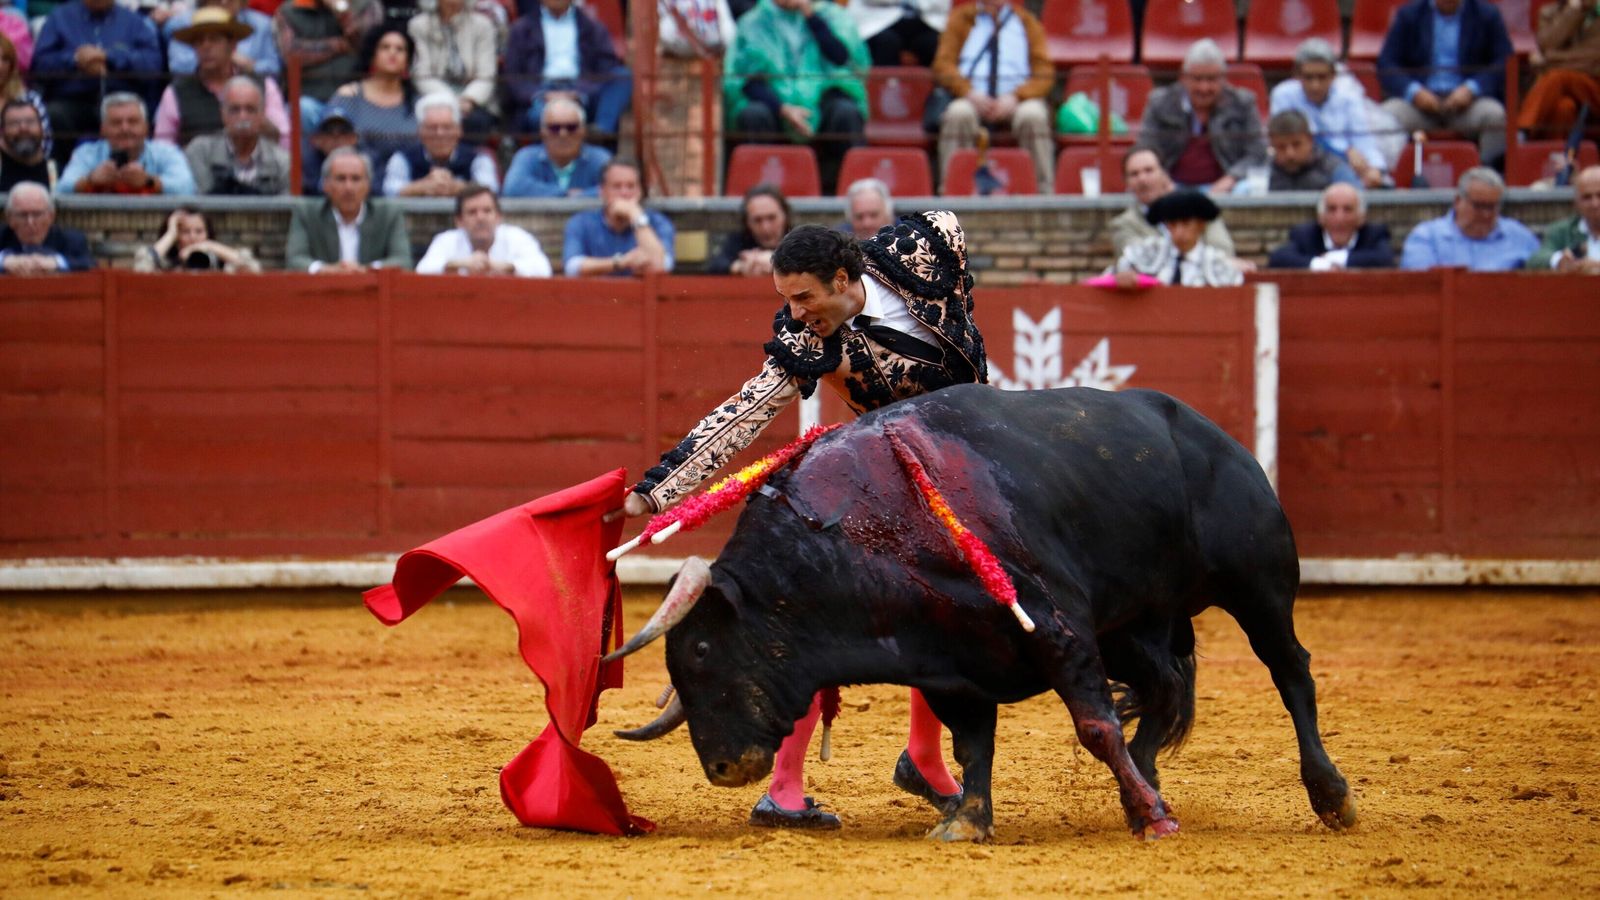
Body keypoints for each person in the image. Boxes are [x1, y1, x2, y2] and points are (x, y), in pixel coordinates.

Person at [609, 215, 987, 830]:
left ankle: (924, 755)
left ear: (843, 277)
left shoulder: (931, 242)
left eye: (804, 296)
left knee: (952, 609)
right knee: (816, 612)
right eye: (785, 299)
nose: (795, 312)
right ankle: (783, 787)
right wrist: (655, 495)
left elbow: (953, 241)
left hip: (970, 463)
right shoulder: (807, 337)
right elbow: (742, 415)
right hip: (892, 473)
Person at [724, 0, 870, 195]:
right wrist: (783, 109)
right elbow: (745, 79)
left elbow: (841, 57)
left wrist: (810, 16)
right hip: (774, 103)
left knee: (846, 112)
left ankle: (852, 193)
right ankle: (760, 194)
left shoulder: (831, 16)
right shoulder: (754, 23)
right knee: (753, 115)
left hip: (822, 98)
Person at [930, 0, 1053, 193]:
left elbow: (1044, 72)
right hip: (971, 96)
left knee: (1034, 116)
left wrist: (1017, 97)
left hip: (1017, 100)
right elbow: (943, 65)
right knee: (957, 114)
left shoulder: (1027, 22)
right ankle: (951, 191)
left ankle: (1044, 193)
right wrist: (968, 92)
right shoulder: (961, 18)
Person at [1378, 0, 1511, 165]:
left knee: (1495, 116)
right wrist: (1414, 92)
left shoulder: (1487, 14)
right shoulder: (1409, 15)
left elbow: (1504, 61)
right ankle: (1390, 179)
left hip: (1468, 105)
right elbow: (1387, 63)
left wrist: (1472, 89)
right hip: (1420, 105)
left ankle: (1487, 176)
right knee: (1385, 116)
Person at [30, 0, 162, 166]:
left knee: (131, 117)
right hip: (73, 100)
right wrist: (75, 59)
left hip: (120, 98)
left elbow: (152, 64)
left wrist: (109, 57)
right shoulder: (59, 18)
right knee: (53, 115)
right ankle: (62, 177)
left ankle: (130, 174)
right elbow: (40, 64)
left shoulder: (134, 21)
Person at [1139, 38, 1268, 195]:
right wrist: (1163, 180)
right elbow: (1145, 149)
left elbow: (1257, 152)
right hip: (1171, 185)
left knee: (1248, 188)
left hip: (1227, 186)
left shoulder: (1243, 103)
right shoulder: (1159, 102)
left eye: (1211, 79)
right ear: (1184, 78)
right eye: (1197, 79)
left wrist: (1231, 179)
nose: (1204, 87)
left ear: (1223, 79)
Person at [155, 6, 290, 149]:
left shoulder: (264, 86)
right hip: (197, 169)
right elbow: (163, 149)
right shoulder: (176, 93)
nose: (206, 47)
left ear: (232, 45)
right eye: (199, 42)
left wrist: (261, 124)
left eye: (214, 39)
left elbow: (285, 141)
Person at [1268, 38, 1389, 188]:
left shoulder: (1349, 97)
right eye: (1308, 77)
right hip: (1298, 164)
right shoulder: (1283, 94)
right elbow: (1284, 137)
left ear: (1333, 75)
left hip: (1344, 166)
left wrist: (1375, 169)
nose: (1315, 85)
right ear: (1297, 75)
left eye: (1321, 77)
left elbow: (1363, 139)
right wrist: (1345, 150)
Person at [503, 0, 632, 138]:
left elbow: (606, 67)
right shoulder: (521, 29)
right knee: (541, 117)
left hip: (582, 90)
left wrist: (579, 93)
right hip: (542, 95)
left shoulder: (592, 27)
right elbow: (513, 78)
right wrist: (543, 95)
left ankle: (600, 131)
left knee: (622, 76)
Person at [285, 146, 413, 272]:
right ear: (325, 184)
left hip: (371, 291)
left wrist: (366, 270)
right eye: (341, 178)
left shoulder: (388, 214)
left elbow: (403, 261)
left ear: (368, 185)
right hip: (322, 290)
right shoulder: (306, 213)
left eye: (356, 179)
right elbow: (294, 260)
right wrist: (326, 270)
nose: (349, 187)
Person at [1400, 167, 1538, 271]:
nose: (1486, 214)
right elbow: (1420, 286)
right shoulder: (1427, 238)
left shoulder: (1520, 236)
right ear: (1458, 201)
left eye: (1492, 207)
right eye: (1479, 206)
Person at [59, 92, 197, 194]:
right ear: (103, 130)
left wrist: (149, 182)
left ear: (146, 127)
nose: (125, 128)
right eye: (116, 123)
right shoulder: (86, 154)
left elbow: (187, 187)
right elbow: (60, 189)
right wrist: (90, 181)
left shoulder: (166, 152)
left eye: (133, 121)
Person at [273, 0, 383, 125]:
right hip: (309, 96)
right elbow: (292, 55)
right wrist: (340, 45)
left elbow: (367, 44)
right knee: (302, 109)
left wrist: (341, 9)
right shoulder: (289, 10)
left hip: (354, 97)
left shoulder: (365, 5)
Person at [1110, 146, 1235, 257]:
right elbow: (1138, 259)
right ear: (1126, 182)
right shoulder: (1123, 224)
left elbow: (1224, 251)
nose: (1142, 179)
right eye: (1134, 174)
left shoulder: (1199, 209)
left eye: (1149, 170)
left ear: (1164, 174)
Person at [327, 23, 419, 170]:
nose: (392, 53)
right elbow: (331, 142)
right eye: (385, 47)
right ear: (372, 55)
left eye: (400, 49)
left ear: (407, 61)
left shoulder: (417, 102)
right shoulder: (349, 95)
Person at [561, 158, 673, 276]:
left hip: (638, 293)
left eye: (631, 186)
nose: (624, 193)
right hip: (596, 292)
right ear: (602, 191)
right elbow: (572, 267)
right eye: (617, 186)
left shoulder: (659, 222)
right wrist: (621, 262)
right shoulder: (581, 223)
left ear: (640, 191)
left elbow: (661, 265)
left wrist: (636, 216)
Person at [1109, 189, 1243, 287]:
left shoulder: (1216, 262)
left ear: (1201, 225)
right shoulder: (1147, 252)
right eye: (1172, 224)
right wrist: (1120, 278)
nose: (1179, 232)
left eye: (1186, 223)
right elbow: (1108, 277)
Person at [415, 183, 552, 276]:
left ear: (498, 217)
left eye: (487, 211)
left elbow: (544, 270)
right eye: (472, 212)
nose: (480, 218)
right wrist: (461, 264)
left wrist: (506, 267)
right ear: (459, 221)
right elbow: (422, 271)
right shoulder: (446, 240)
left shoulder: (518, 237)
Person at [185, 75, 291, 194]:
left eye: (250, 110)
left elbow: (285, 210)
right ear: (223, 115)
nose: (243, 117)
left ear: (262, 116)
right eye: (235, 110)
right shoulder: (201, 151)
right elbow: (202, 203)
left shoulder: (282, 162)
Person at [407, 0, 498, 136]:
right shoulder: (418, 25)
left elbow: (487, 74)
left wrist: (469, 99)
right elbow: (421, 73)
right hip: (431, 95)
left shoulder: (483, 25)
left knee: (476, 121)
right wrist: (451, 102)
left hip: (473, 100)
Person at [383, 91, 497, 197]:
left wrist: (457, 187)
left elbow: (491, 189)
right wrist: (421, 187)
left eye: (447, 127)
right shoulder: (402, 158)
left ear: (459, 130)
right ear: (419, 131)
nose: (440, 134)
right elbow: (389, 191)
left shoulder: (478, 158)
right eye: (432, 128)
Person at [1518, 0, 1600, 142]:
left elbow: (1592, 59)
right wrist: (1574, 10)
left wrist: (1548, 59)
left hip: (1594, 88)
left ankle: (1521, 132)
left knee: (1558, 77)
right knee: (1564, 107)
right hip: (1564, 92)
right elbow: (1547, 43)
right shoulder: (1548, 13)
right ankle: (1552, 156)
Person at [1267, 183, 1395, 270]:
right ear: (1321, 217)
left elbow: (1385, 259)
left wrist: (1335, 258)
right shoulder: (1305, 235)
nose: (1339, 218)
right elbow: (1279, 258)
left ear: (1361, 217)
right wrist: (1320, 264)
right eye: (1332, 209)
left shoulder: (1374, 234)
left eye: (1348, 209)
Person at [501, 95, 610, 197]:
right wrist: (566, 194)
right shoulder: (527, 156)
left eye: (571, 127)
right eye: (554, 128)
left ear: (583, 131)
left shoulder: (599, 158)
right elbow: (513, 188)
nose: (563, 134)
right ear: (542, 132)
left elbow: (615, 189)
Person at [166, 0, 282, 78]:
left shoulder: (261, 24)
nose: (224, 1)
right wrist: (222, 59)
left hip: (248, 95)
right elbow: (178, 66)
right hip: (196, 94)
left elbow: (274, 69)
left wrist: (250, 66)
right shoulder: (183, 23)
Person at [0, 180, 94, 274]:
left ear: (51, 216)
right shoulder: (2, 235)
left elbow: (89, 265)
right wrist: (3, 262)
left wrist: (56, 263)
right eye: (23, 215)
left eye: (37, 214)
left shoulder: (72, 240)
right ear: (9, 218)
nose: (30, 222)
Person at [133, 205, 261, 272]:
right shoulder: (166, 263)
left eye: (199, 231)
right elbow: (143, 266)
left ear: (208, 233)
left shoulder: (220, 262)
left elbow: (251, 268)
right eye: (185, 232)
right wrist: (171, 233)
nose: (193, 237)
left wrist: (210, 246)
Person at [706, 182, 792, 275]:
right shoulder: (740, 239)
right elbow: (715, 265)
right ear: (747, 222)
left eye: (771, 218)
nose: (765, 228)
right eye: (757, 220)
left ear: (785, 216)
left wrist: (776, 262)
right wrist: (740, 266)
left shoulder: (799, 238)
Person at [1528, 164, 1600, 272]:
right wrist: (1559, 260)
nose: (1595, 204)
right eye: (1587, 197)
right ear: (1576, 202)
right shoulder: (1561, 231)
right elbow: (1534, 261)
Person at [1266, 110, 1359, 193]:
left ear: (1310, 140)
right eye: (1281, 147)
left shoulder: (1334, 169)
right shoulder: (1265, 173)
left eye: (1296, 144)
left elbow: (1357, 202)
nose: (1290, 154)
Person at [849, 0, 945, 67]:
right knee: (887, 42)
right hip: (879, 20)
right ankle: (882, 91)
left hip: (925, 20)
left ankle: (937, 92)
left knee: (935, 43)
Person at [301, 107, 362, 195]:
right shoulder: (306, 166)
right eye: (328, 132)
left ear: (354, 138)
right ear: (316, 139)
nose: (336, 137)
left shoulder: (363, 163)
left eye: (343, 131)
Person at [1, 98, 55, 191]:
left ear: (42, 129)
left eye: (30, 122)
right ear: (2, 132)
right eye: (14, 123)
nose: (23, 128)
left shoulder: (56, 172)